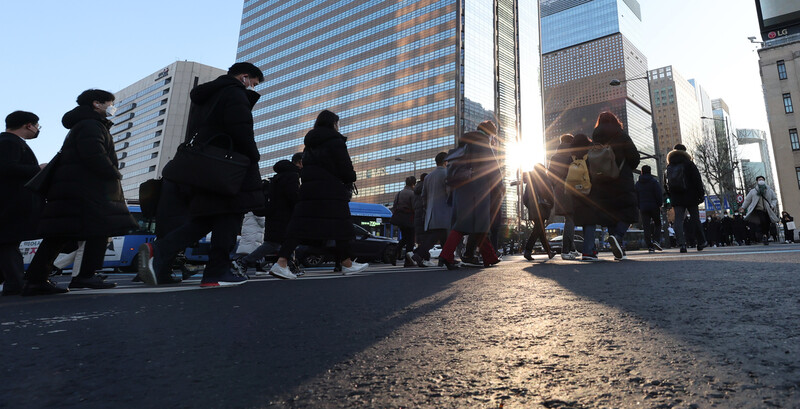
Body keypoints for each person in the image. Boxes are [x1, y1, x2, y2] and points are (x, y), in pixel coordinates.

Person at [138, 62, 265, 287]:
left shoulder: (205, 97)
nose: (252, 88)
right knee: (229, 215)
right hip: (229, 168)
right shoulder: (235, 94)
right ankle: (217, 272)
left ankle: (160, 249)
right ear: (244, 77)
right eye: (252, 84)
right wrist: (254, 156)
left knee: (206, 217)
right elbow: (241, 130)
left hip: (204, 168)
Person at [24, 90, 136, 295]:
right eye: (110, 103)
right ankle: (84, 276)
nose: (112, 107)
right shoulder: (91, 125)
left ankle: (37, 279)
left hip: (75, 188)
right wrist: (114, 174)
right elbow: (94, 154)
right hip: (89, 189)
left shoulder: (83, 124)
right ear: (97, 104)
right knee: (99, 230)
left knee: (61, 234)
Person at [270, 110, 368, 277]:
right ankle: (346, 263)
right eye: (337, 123)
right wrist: (351, 177)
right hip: (331, 190)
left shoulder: (310, 143)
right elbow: (345, 168)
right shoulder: (335, 140)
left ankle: (281, 262)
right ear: (333, 124)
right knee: (342, 225)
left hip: (310, 190)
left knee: (299, 227)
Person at [438, 121, 502, 269]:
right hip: (477, 187)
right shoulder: (482, 142)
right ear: (490, 133)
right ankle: (446, 255)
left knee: (472, 223)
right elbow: (492, 167)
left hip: (461, 188)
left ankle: (489, 257)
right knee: (472, 224)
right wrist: (499, 186)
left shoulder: (465, 142)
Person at [232, 153, 303, 276]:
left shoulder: (276, 178)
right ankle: (243, 262)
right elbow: (293, 197)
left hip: (273, 215)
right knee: (277, 243)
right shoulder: (292, 176)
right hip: (284, 217)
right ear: (300, 162)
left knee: (280, 242)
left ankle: (290, 267)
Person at [0, 111, 46, 296]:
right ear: (28, 125)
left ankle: (13, 282)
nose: (37, 130)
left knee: (8, 242)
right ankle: (15, 282)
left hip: (9, 201)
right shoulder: (10, 142)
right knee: (8, 242)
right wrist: (38, 169)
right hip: (10, 202)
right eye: (37, 126)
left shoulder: (8, 141)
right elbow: (5, 168)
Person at [590, 111, 641, 261]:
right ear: (614, 121)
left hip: (601, 179)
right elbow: (634, 156)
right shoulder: (620, 134)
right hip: (621, 177)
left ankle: (619, 247)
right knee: (629, 210)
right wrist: (627, 167)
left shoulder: (595, 137)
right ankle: (617, 236)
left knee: (610, 212)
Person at [408, 152, 451, 267]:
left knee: (441, 236)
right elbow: (449, 192)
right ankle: (419, 254)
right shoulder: (447, 173)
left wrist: (427, 207)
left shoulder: (428, 177)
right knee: (436, 236)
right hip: (444, 210)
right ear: (445, 161)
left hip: (431, 211)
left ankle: (446, 259)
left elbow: (423, 195)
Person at [665, 144, 706, 253]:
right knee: (695, 219)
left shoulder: (669, 166)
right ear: (685, 152)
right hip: (691, 196)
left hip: (677, 197)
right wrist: (701, 194)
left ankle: (682, 244)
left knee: (678, 220)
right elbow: (697, 180)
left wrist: (670, 197)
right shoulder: (689, 164)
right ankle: (700, 242)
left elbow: (666, 185)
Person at [568, 134, 603, 261]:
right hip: (590, 191)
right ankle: (588, 251)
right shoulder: (590, 152)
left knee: (584, 221)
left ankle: (591, 249)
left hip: (575, 192)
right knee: (590, 221)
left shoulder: (570, 155)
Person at [547, 133, 580, 260]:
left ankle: (572, 249)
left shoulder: (554, 156)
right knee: (570, 218)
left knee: (568, 217)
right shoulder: (573, 154)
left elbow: (550, 176)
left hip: (559, 190)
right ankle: (565, 250)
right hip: (571, 187)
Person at [522, 164, 555, 261]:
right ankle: (528, 250)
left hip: (533, 209)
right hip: (542, 208)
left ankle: (549, 251)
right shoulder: (544, 178)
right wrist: (550, 204)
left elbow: (525, 198)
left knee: (540, 230)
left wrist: (530, 206)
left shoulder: (530, 180)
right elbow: (549, 194)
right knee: (538, 230)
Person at [739, 175, 779, 245]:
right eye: (759, 180)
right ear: (757, 181)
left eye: (762, 179)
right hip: (758, 210)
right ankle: (764, 235)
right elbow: (748, 200)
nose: (761, 181)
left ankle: (766, 235)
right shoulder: (753, 191)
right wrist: (743, 207)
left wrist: (772, 205)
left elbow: (774, 199)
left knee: (767, 223)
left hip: (767, 209)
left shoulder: (769, 190)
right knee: (762, 222)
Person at [634, 165, 663, 252]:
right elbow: (658, 194)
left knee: (646, 227)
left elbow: (636, 197)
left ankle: (649, 246)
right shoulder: (654, 182)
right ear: (650, 171)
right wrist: (659, 204)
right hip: (654, 207)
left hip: (643, 208)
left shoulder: (638, 184)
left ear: (642, 172)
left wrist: (639, 206)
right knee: (657, 224)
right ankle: (656, 240)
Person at [392, 176, 417, 267]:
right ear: (413, 184)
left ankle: (394, 253)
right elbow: (414, 207)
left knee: (405, 238)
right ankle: (408, 261)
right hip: (409, 219)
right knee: (410, 240)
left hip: (400, 219)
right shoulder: (412, 194)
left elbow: (394, 207)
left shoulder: (399, 193)